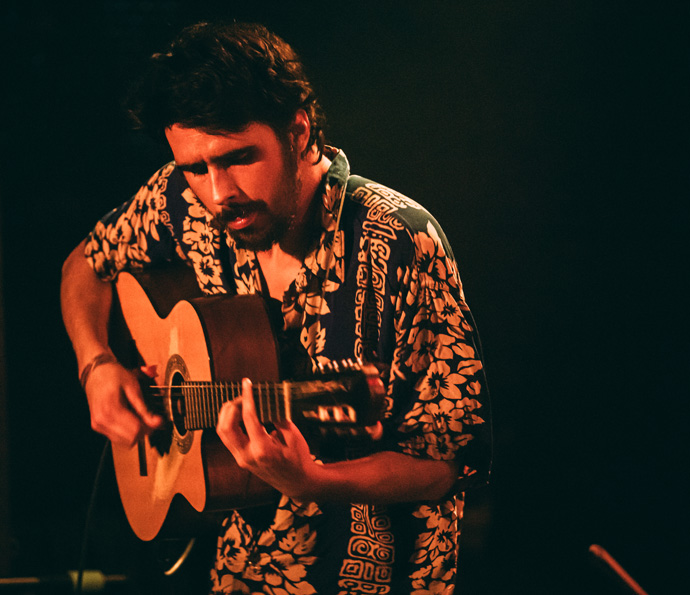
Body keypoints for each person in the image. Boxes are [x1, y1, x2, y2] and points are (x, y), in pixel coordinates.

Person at [60, 21, 491, 595]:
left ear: (298, 132)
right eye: (195, 168)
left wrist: (315, 482)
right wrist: (95, 365)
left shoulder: (401, 241)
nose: (218, 193)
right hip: (240, 572)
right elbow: (85, 265)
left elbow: (444, 464)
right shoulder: (180, 201)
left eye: (239, 158)